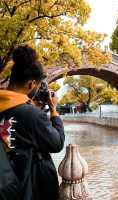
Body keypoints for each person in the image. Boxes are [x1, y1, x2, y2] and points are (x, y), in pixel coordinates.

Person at [0, 45, 65, 200]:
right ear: (30, 84)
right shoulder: (30, 115)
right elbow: (56, 143)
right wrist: (54, 110)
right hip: (28, 189)